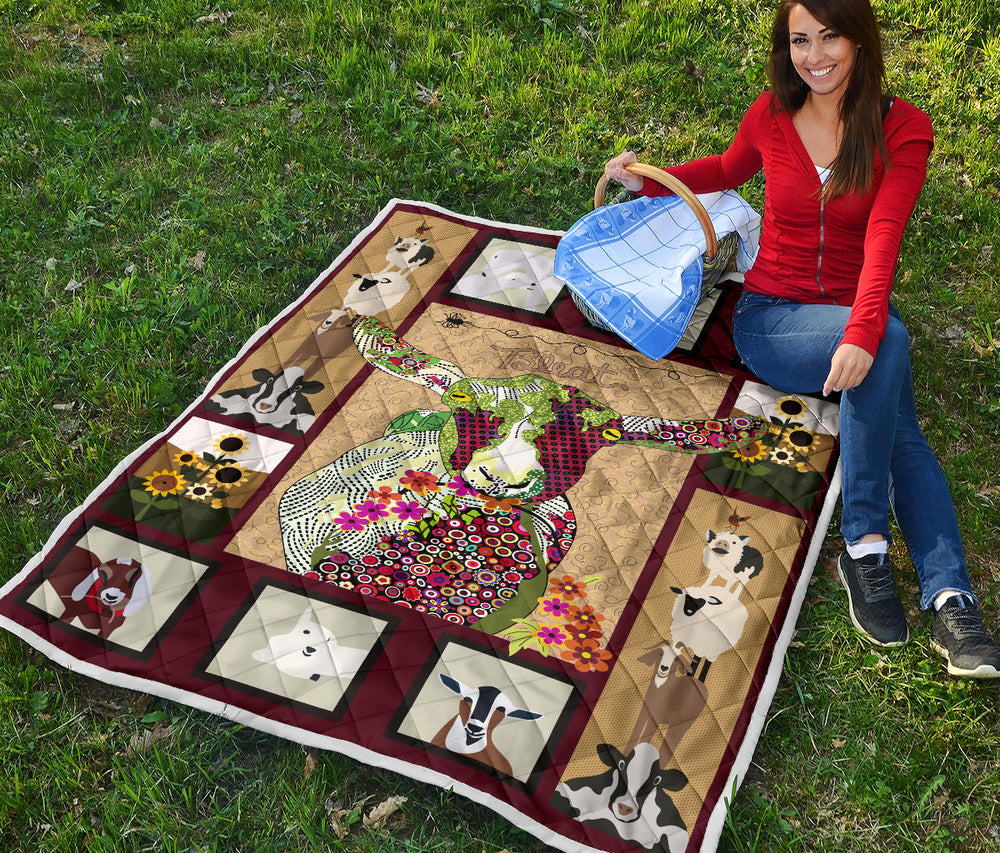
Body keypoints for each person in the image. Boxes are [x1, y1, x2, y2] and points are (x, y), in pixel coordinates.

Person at [604, 0, 1000, 678]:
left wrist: (862, 331)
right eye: (799, 40)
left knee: (898, 415)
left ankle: (947, 595)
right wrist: (648, 183)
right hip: (773, 319)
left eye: (830, 37)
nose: (814, 56)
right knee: (890, 347)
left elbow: (884, 236)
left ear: (860, 41)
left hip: (851, 316)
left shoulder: (902, 129)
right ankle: (868, 546)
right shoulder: (771, 114)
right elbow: (725, 169)